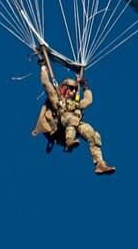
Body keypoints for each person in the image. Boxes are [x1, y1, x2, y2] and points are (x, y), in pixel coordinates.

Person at [29, 44, 115, 175]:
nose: (73, 91)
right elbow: (46, 84)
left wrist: (85, 87)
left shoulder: (76, 104)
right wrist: (43, 67)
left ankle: (100, 164)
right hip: (60, 124)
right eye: (71, 88)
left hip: (75, 124)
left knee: (93, 134)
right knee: (72, 119)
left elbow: (88, 100)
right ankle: (69, 142)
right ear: (64, 88)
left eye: (75, 89)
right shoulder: (56, 98)